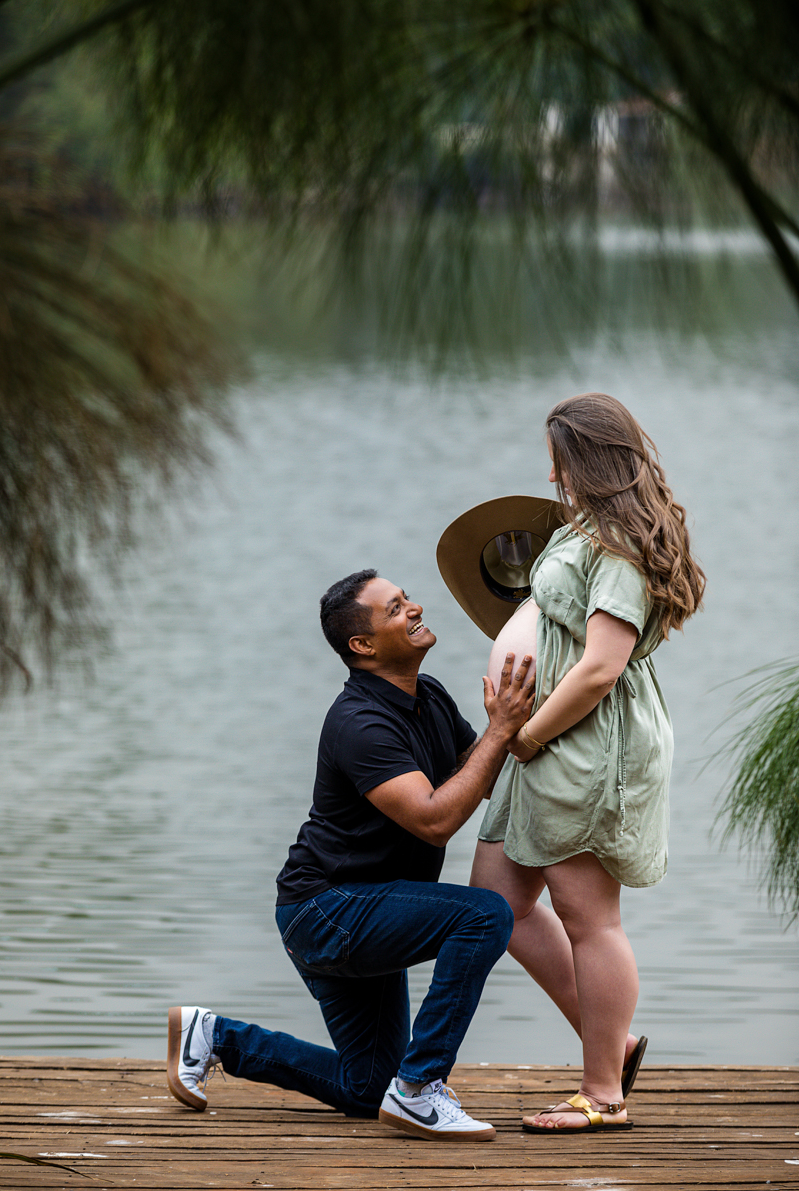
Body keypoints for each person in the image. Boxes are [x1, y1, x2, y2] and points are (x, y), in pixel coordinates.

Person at [167, 569, 536, 1141]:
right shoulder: (358, 722)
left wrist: (527, 724)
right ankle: (419, 1090)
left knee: (368, 1090)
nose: (414, 609)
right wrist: (500, 731)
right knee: (483, 914)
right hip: (326, 909)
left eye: (406, 598)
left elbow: (482, 776)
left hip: (370, 907)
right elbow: (435, 820)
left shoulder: (429, 695)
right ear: (361, 645)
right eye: (395, 609)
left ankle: (214, 1036)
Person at [470, 393, 705, 1134]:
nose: (549, 472)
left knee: (589, 917)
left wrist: (530, 735)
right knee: (495, 905)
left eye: (560, 458)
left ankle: (603, 1095)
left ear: (589, 459)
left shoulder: (622, 546)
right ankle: (615, 1041)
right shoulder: (588, 531)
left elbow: (601, 667)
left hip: (582, 742)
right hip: (542, 737)